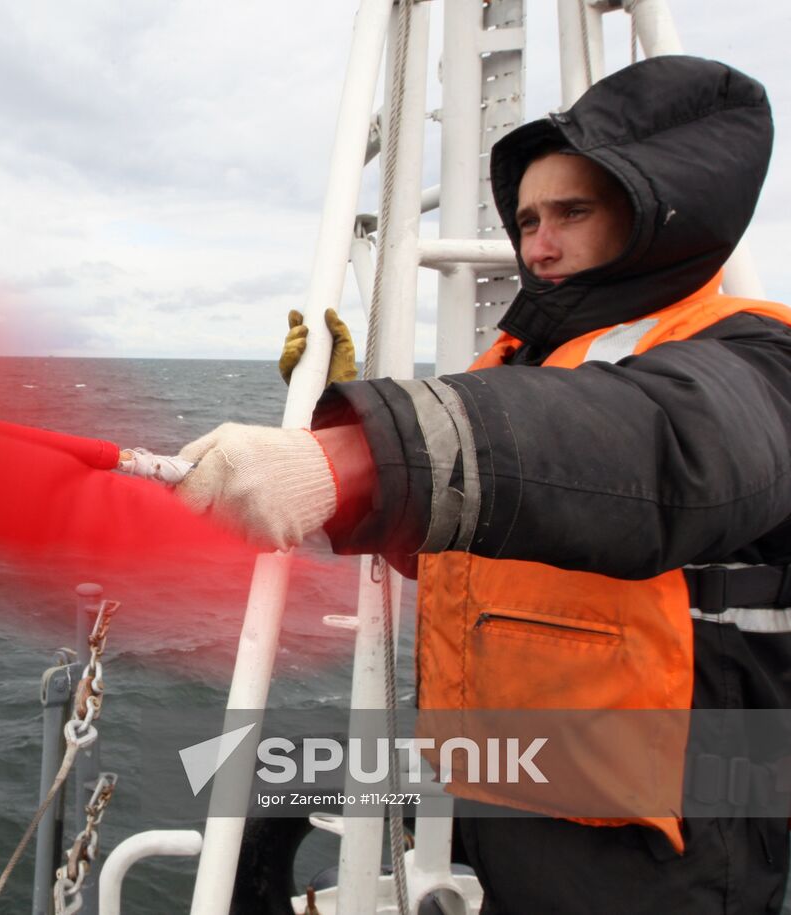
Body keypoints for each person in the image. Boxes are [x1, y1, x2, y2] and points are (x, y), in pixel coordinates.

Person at [174, 55, 791, 913]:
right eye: (530, 217)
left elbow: (657, 453)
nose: (538, 243)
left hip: (664, 828)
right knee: (243, 769)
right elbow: (474, 539)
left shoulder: (754, 362)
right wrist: (327, 441)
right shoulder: (518, 368)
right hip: (513, 771)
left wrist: (361, 458)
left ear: (660, 211)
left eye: (572, 212)